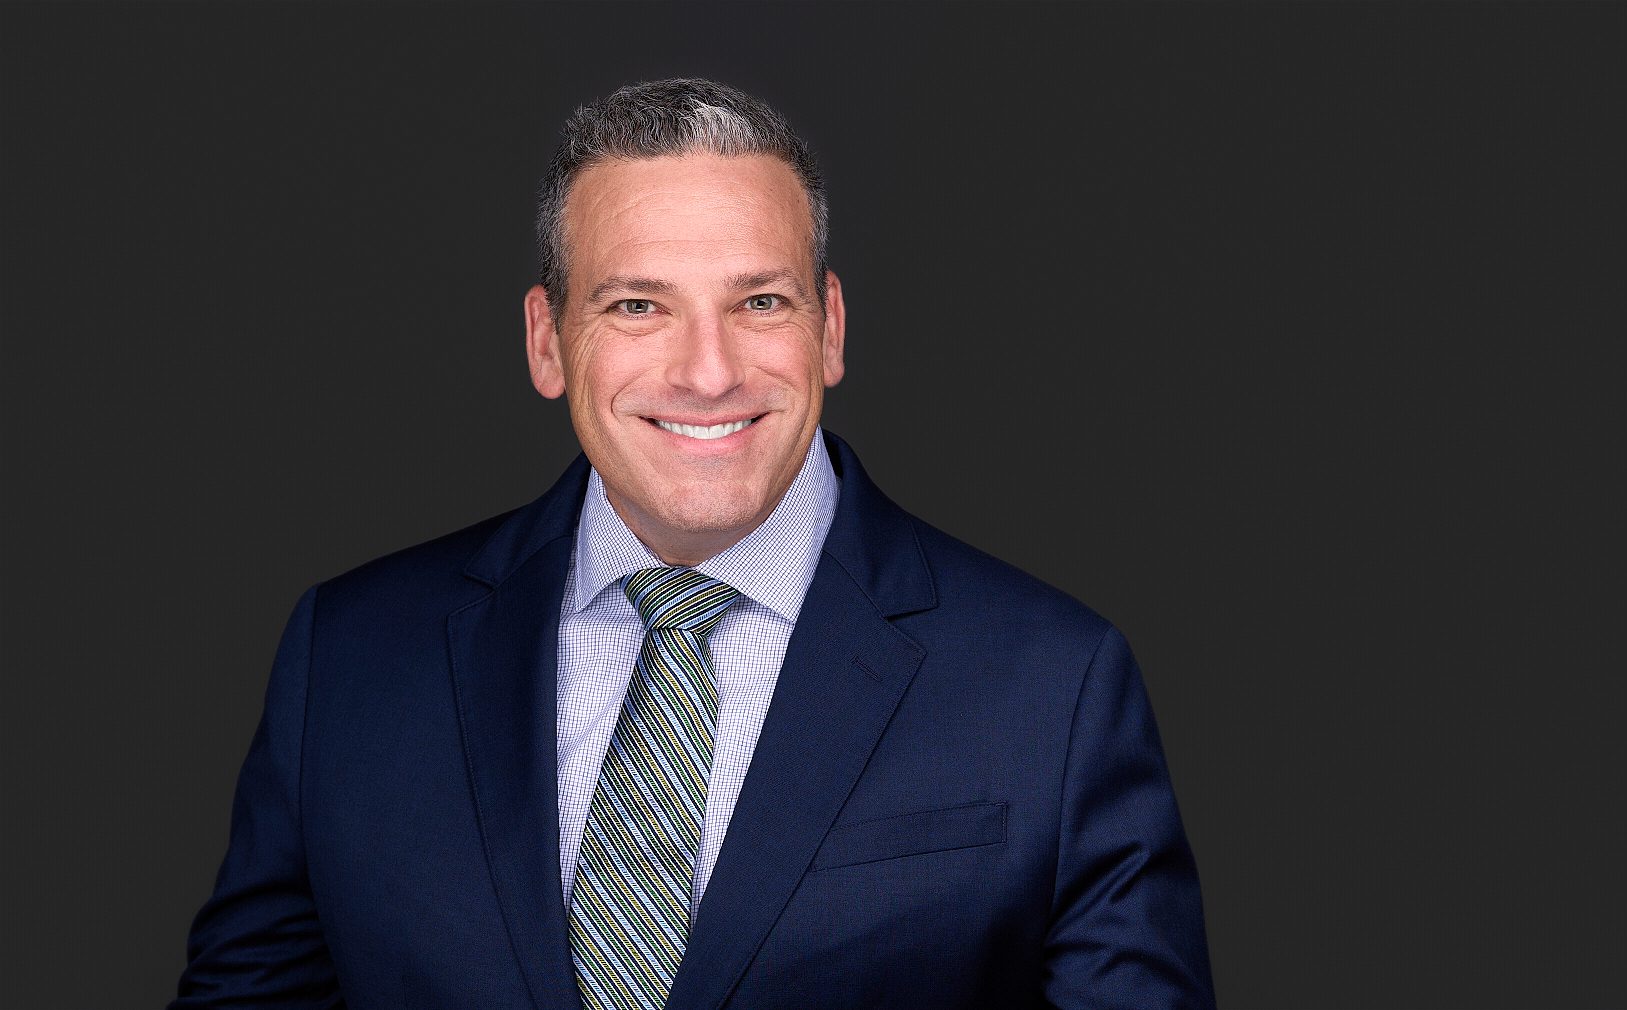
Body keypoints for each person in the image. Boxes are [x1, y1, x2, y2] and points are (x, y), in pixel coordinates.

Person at [174, 78, 1214, 1010]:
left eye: (759, 301)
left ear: (831, 327)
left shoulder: (1054, 685)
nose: (707, 371)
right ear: (547, 340)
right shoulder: (350, 658)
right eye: (638, 305)